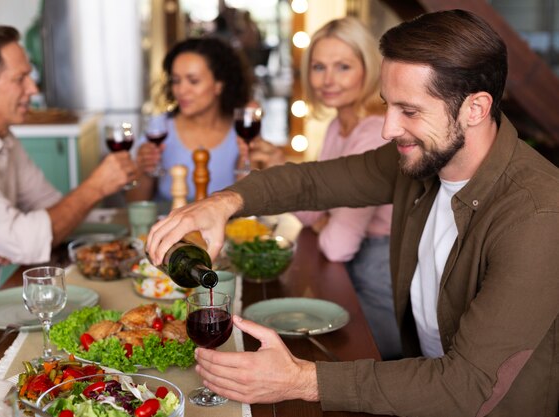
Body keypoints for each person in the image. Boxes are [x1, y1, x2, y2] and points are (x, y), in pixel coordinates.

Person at [146, 9, 559, 417]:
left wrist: (302, 380)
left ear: (475, 108)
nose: (388, 128)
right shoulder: (425, 157)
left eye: (409, 111)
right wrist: (222, 203)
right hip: (416, 390)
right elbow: (314, 182)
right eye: (388, 105)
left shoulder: (536, 214)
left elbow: (465, 386)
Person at [0, 25, 137, 359]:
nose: (33, 88)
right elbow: (32, 238)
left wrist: (19, 233)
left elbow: (52, 212)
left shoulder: (4, 140)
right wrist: (95, 187)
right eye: (21, 78)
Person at [294, 16, 400, 359]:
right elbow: (312, 209)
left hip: (380, 268)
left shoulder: (373, 132)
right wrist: (322, 216)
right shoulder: (337, 127)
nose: (328, 80)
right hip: (353, 261)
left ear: (368, 69)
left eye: (343, 67)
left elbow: (338, 244)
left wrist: (326, 220)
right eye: (319, 66)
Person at [128, 37, 253, 203]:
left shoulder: (242, 130)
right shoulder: (160, 127)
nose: (181, 90)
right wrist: (143, 170)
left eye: (193, 81)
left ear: (219, 85)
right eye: (176, 81)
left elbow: (251, 204)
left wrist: (246, 161)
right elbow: (134, 203)